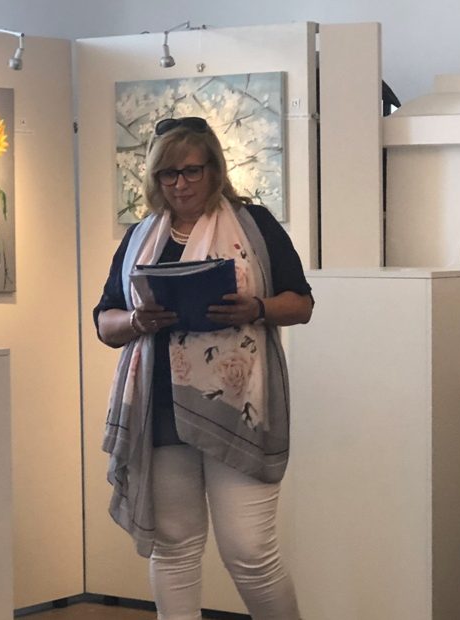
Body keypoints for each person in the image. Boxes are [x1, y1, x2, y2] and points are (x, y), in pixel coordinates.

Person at [94, 116, 313, 620]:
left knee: (250, 553)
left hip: (239, 409)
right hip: (158, 410)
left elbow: (301, 303)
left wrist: (256, 308)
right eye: (168, 174)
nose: (180, 184)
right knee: (174, 547)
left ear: (214, 170)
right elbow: (105, 321)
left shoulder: (254, 225)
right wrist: (136, 320)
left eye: (191, 171)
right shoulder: (141, 236)